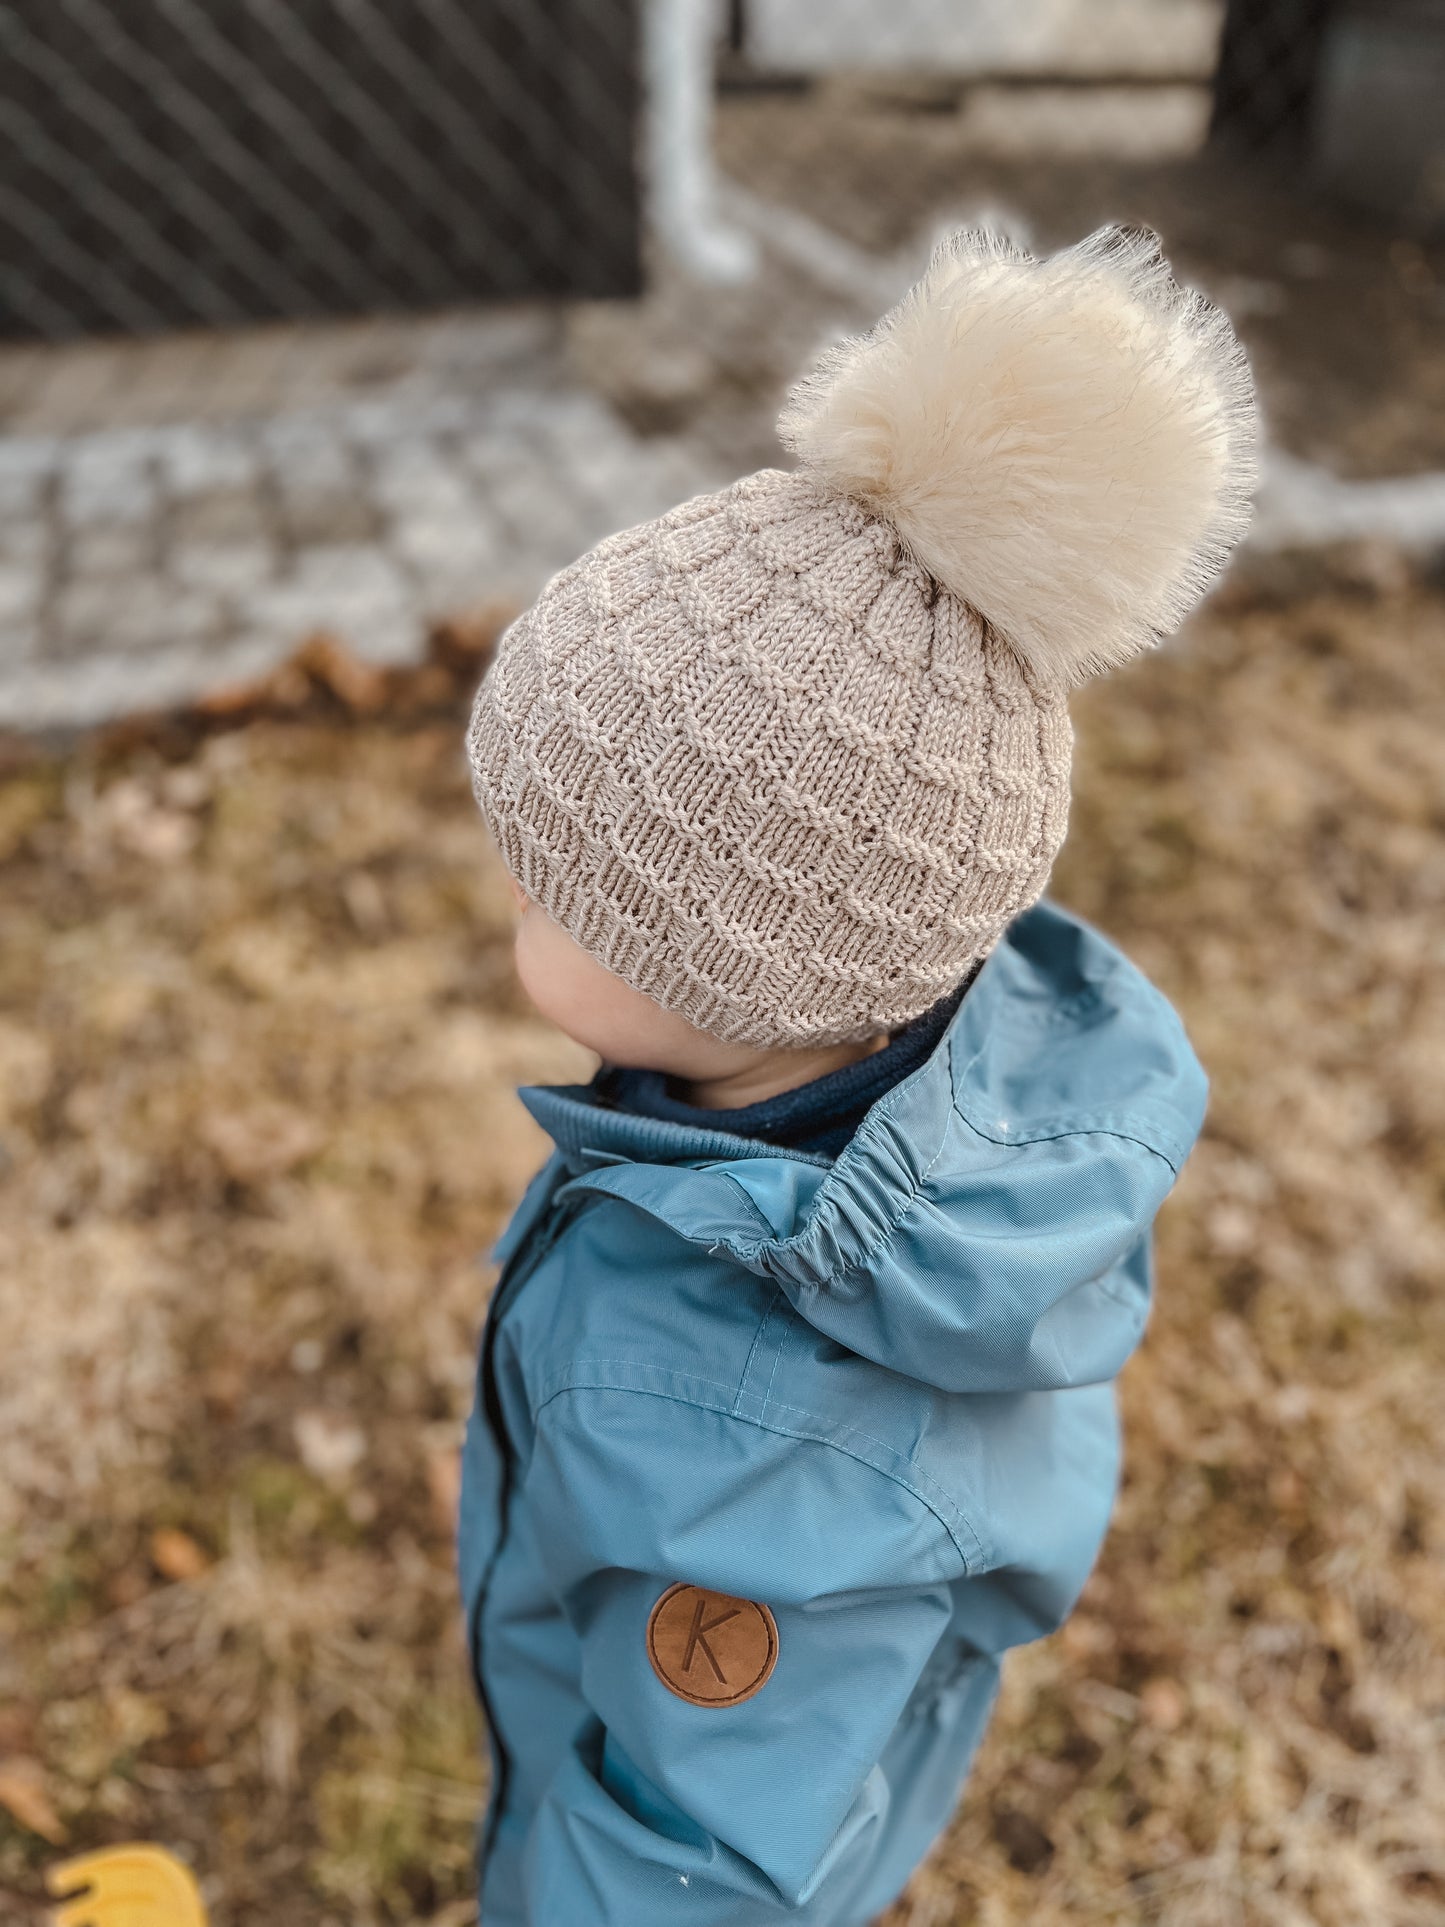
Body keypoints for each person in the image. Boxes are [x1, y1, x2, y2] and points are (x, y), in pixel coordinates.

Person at [459, 224, 1257, 1925]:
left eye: (553, 881)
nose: (507, 886)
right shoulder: (798, 1077)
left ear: (738, 965)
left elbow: (694, 1856)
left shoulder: (757, 1454)